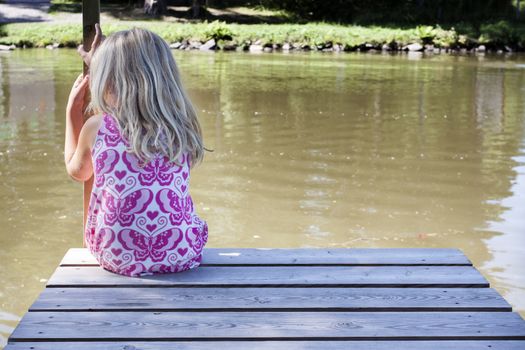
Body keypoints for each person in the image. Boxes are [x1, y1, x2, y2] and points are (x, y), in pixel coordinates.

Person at [64, 24, 208, 277]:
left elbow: (78, 172)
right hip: (182, 253)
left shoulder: (97, 127)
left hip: (116, 256)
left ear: (107, 80)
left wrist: (72, 114)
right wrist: (100, 59)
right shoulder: (182, 125)